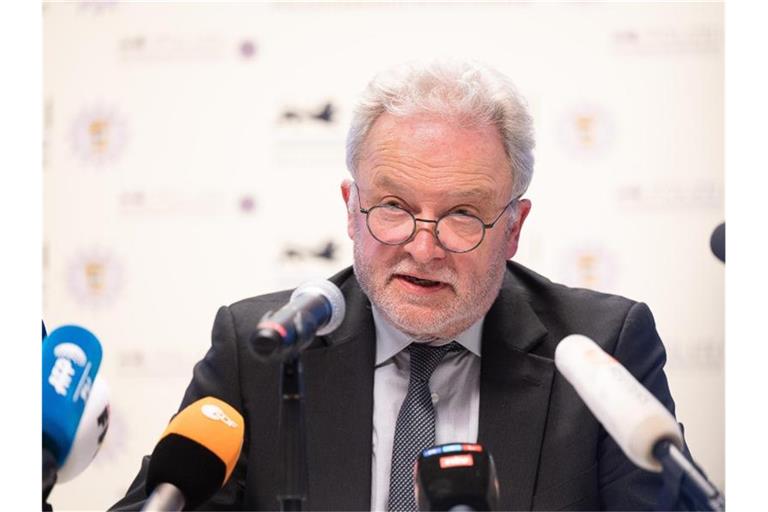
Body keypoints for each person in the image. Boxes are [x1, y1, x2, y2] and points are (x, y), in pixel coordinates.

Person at [112, 60, 686, 511]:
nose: (423, 247)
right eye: (393, 207)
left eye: (463, 213)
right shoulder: (263, 349)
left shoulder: (601, 351)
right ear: (350, 209)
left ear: (513, 228)